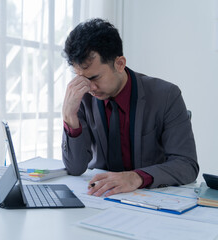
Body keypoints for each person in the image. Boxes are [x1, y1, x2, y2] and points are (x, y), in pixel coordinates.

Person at [61, 18, 199, 197]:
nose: (90, 87)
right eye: (82, 78)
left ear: (120, 64)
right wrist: (69, 117)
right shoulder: (82, 97)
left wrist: (136, 178)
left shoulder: (166, 95)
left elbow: (186, 165)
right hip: (99, 199)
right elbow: (75, 167)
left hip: (152, 200)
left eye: (95, 78)